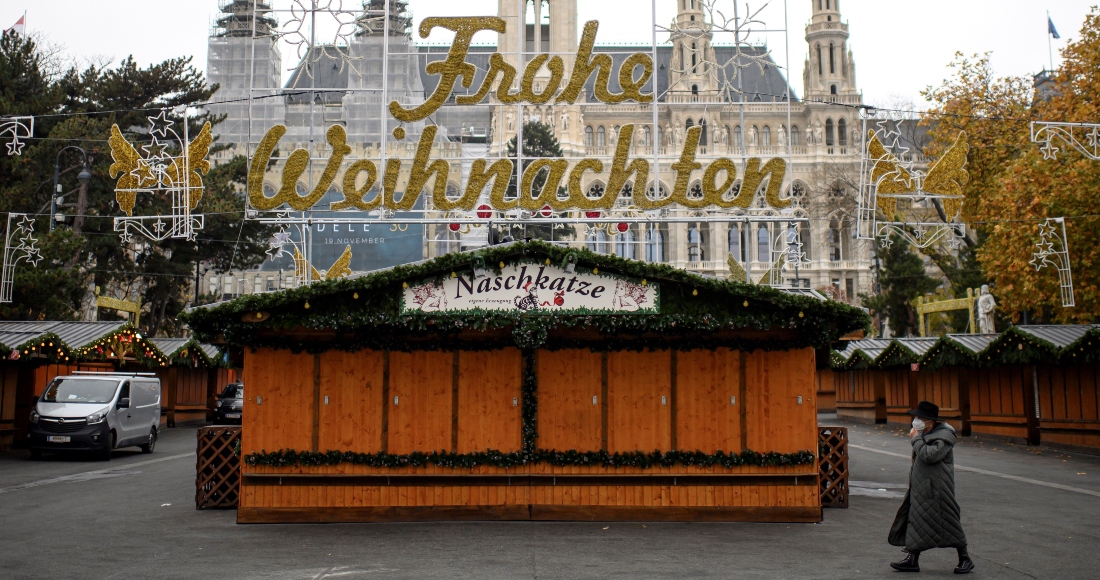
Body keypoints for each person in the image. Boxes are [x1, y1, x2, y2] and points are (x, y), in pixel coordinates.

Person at [889, 401, 974, 574]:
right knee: (917, 520)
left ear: (930, 420)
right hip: (922, 487)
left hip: (938, 488)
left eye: (920, 418)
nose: (916, 420)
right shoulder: (925, 433)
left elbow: (930, 455)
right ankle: (912, 558)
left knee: (949, 521)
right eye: (916, 417)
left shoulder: (944, 436)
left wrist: (916, 439)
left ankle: (965, 558)